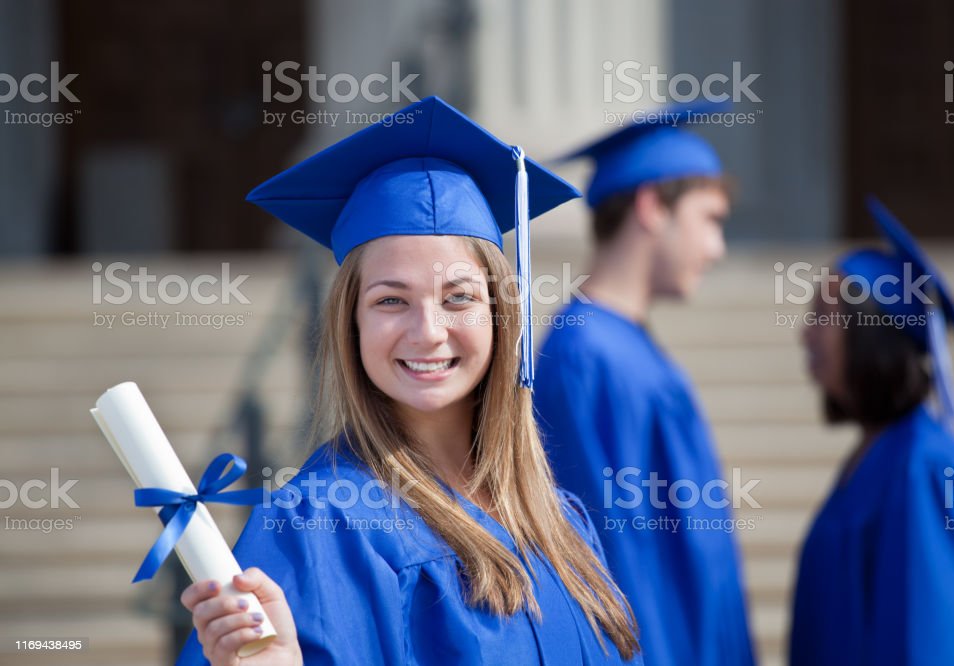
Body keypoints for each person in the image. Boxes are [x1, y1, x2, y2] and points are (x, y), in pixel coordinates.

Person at [175, 96, 642, 665]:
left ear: (500, 314)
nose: (428, 332)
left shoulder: (559, 518)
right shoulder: (317, 526)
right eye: (391, 300)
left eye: (459, 298)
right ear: (351, 322)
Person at [533, 104, 755, 666]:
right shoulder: (588, 357)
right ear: (652, 206)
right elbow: (618, 558)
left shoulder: (621, 346)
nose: (716, 248)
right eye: (710, 220)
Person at [790, 197, 954, 665]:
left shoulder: (926, 471)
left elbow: (940, 645)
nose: (805, 332)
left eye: (822, 315)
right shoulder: (881, 456)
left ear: (868, 332)